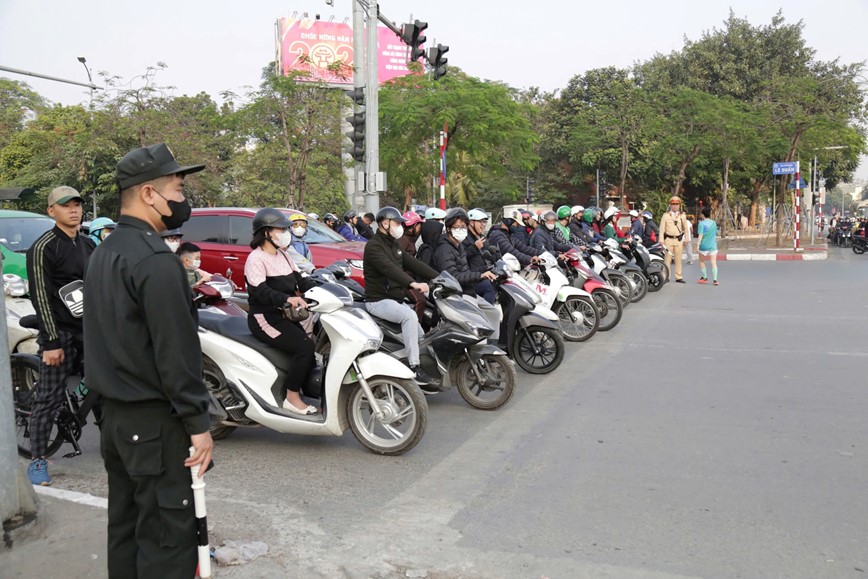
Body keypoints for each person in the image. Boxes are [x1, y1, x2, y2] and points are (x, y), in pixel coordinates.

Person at [83, 143, 213, 579]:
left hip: (116, 421)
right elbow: (175, 354)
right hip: (154, 426)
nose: (182, 198)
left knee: (126, 531)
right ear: (149, 194)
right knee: (166, 542)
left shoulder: (105, 251)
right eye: (177, 188)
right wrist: (198, 425)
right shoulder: (155, 260)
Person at [26, 186, 96, 486]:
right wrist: (51, 343)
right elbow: (40, 296)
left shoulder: (88, 244)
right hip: (60, 332)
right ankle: (38, 459)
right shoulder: (43, 247)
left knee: (103, 389)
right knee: (48, 398)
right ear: (51, 210)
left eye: (78, 205)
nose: (74, 210)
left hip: (89, 330)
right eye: (66, 205)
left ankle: (117, 451)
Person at [245, 208, 318, 414]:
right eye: (281, 228)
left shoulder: (284, 256)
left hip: (285, 315)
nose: (286, 232)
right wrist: (288, 298)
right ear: (266, 232)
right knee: (304, 348)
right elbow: (261, 291)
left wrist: (322, 287)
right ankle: (291, 398)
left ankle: (303, 391)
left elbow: (300, 280)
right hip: (264, 318)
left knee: (310, 350)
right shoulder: (256, 259)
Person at [364, 207, 439, 387]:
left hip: (395, 299)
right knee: (410, 316)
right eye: (397, 223)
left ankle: (410, 361)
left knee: (421, 334)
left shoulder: (393, 244)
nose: (400, 227)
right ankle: (414, 367)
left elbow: (413, 263)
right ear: (385, 223)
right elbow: (389, 269)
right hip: (378, 300)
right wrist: (413, 284)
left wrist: (439, 277)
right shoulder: (374, 246)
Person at [433, 208, 498, 303]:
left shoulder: (459, 245)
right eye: (457, 227)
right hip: (456, 294)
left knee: (493, 313)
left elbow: (465, 270)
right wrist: (480, 275)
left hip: (467, 289)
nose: (461, 230)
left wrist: (485, 271)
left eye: (463, 227)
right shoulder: (445, 249)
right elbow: (453, 276)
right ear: (448, 229)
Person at [464, 208, 501, 305]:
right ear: (472, 223)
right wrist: (474, 247)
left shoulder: (481, 237)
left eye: (484, 222)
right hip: (470, 278)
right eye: (481, 222)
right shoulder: (464, 238)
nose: (483, 225)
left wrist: (497, 256)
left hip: (483, 273)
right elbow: (461, 257)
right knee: (488, 287)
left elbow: (488, 252)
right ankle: (485, 316)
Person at [659, 196, 689, 283]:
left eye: (676, 204)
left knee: (678, 259)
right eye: (673, 204)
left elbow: (686, 228)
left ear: (679, 205)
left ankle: (678, 276)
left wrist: (686, 239)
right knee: (667, 259)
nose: (675, 206)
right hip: (668, 240)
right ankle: (666, 276)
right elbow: (662, 229)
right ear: (670, 205)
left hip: (678, 240)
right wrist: (661, 240)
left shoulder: (682, 216)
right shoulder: (665, 216)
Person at [696, 206, 719, 286]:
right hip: (713, 246)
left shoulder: (701, 224)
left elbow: (700, 235)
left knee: (702, 261)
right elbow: (715, 233)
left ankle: (705, 278)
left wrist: (698, 244)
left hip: (704, 246)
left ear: (703, 215)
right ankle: (715, 280)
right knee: (713, 262)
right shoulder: (714, 223)